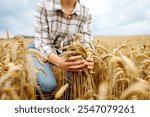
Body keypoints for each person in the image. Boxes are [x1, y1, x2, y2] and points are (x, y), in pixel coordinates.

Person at [28, 0, 94, 93]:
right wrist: (59, 62)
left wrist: (88, 58)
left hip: (65, 53)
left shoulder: (86, 12)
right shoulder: (43, 5)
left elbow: (86, 42)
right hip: (39, 50)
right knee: (47, 85)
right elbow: (42, 42)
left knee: (72, 83)